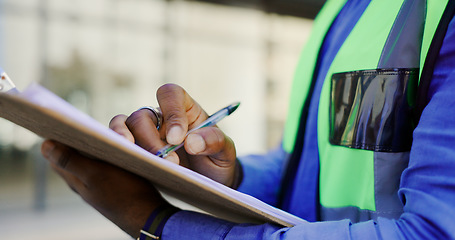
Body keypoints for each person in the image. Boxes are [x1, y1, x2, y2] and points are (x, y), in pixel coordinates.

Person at [40, 0, 455, 239]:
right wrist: (226, 175)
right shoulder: (344, 9)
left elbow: (433, 233)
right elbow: (307, 164)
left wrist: (158, 224)